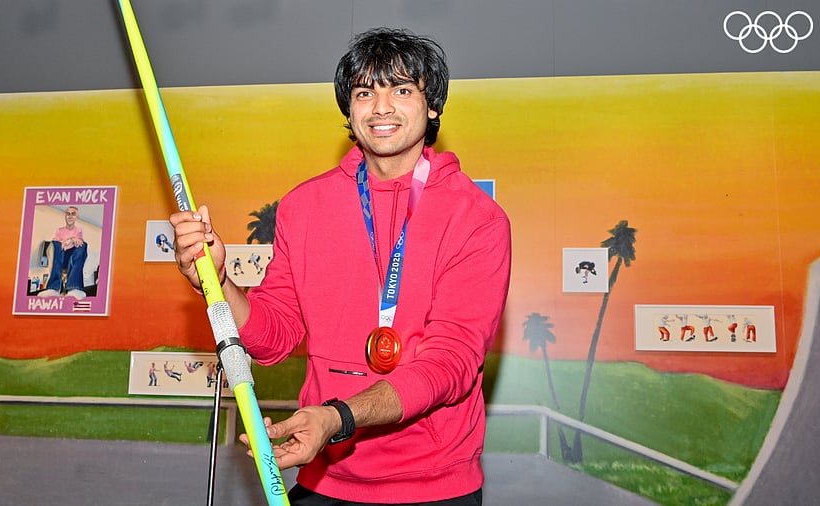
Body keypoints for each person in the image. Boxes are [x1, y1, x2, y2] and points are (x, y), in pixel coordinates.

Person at [171, 27, 511, 505]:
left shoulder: (477, 218)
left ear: (432, 105)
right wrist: (220, 280)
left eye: (402, 89)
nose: (382, 107)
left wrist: (337, 417)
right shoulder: (304, 206)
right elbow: (273, 337)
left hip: (434, 488)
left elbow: (449, 364)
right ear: (349, 110)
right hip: (326, 478)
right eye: (365, 92)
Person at [38, 205, 88, 299]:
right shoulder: (59, 230)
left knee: (83, 245)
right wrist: (69, 240)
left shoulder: (79, 230)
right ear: (65, 216)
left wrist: (71, 240)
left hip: (73, 257)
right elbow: (57, 244)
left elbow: (79, 243)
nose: (70, 216)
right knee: (56, 244)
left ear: (76, 217)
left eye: (73, 214)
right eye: (68, 214)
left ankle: (74, 288)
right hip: (61, 256)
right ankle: (54, 288)